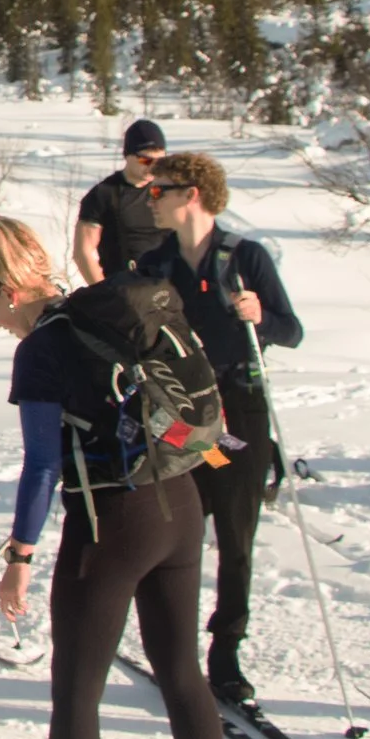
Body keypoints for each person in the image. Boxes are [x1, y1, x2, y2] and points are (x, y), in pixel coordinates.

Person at [0, 215, 227, 739]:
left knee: (77, 689)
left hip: (114, 522)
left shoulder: (42, 350)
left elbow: (40, 467)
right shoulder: (105, 315)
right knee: (179, 668)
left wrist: (20, 558)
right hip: (180, 501)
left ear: (10, 295)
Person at [131, 151, 303, 706]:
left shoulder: (244, 257)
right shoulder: (155, 264)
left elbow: (291, 330)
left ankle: (226, 648)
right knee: (177, 525)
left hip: (239, 413)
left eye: (160, 191)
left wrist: (259, 316)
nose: (151, 199)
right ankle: (174, 645)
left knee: (235, 531)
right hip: (184, 418)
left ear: (193, 195)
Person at [73, 119, 171, 287]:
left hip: (168, 290)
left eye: (159, 161)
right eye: (145, 160)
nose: (153, 167)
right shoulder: (104, 194)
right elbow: (83, 252)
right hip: (126, 291)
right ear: (128, 155)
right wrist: (103, 292)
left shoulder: (169, 190)